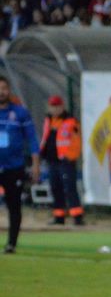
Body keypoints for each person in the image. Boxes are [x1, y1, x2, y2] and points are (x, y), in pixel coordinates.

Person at [0, 76, 39, 253]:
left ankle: (11, 244)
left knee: (14, 205)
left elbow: (32, 139)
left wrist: (36, 164)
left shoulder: (20, 112)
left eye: (4, 88)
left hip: (13, 167)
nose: (1, 92)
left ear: (9, 90)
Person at [40, 95, 83, 226]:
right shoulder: (48, 120)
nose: (55, 109)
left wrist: (71, 157)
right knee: (55, 188)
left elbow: (77, 141)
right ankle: (59, 217)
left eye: (57, 106)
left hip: (66, 161)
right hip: (52, 160)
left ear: (62, 106)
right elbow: (46, 138)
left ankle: (77, 217)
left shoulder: (71, 121)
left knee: (70, 188)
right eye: (52, 106)